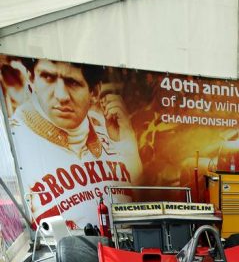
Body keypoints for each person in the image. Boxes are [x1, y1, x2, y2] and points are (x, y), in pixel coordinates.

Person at [10, 58, 142, 228]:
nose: (62, 96)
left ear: (94, 92)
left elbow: (140, 216)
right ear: (31, 79)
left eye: (72, 82)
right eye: (48, 77)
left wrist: (129, 151)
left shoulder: (113, 136)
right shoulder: (14, 145)